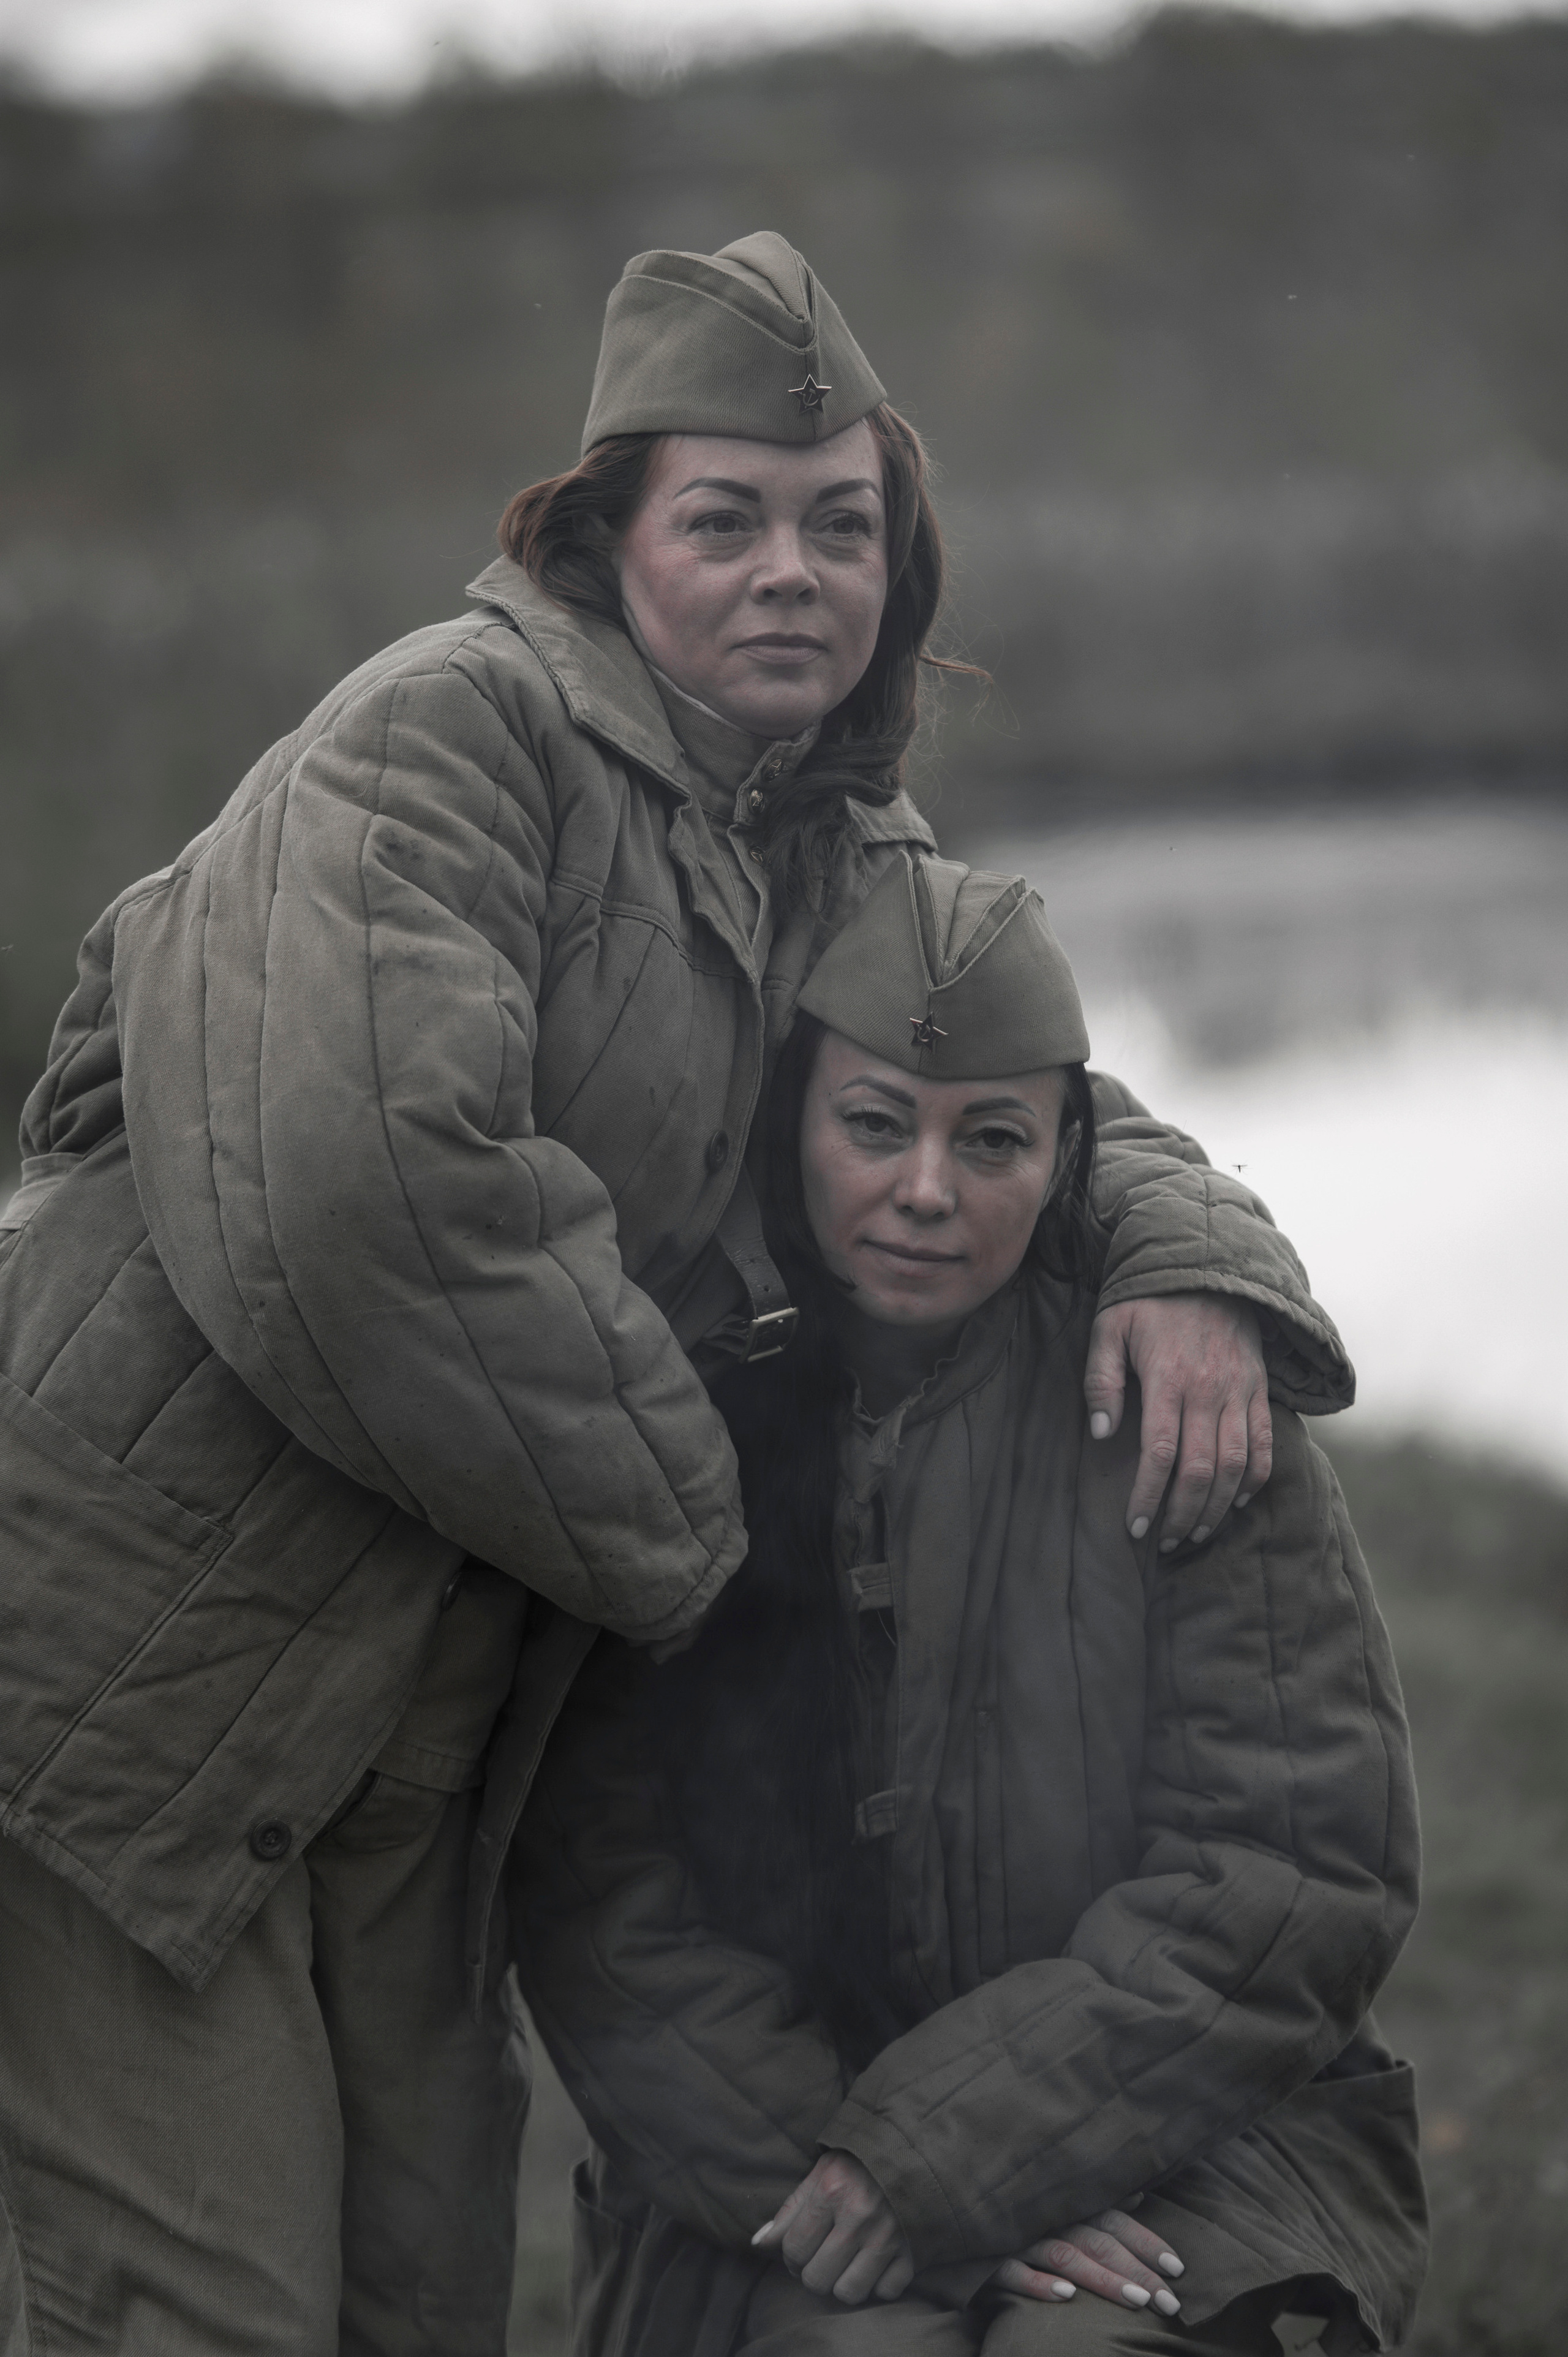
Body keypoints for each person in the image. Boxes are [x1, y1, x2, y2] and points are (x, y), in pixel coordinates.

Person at [0, 239, 1349, 2356]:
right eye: (725, 517)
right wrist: (706, 1551)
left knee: (409, 2295)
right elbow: (376, 1182)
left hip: (432, 1701)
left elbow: (1018, 1080)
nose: (791, 571)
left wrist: (1194, 1263)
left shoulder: (825, 834)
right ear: (601, 532)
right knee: (200, 2304)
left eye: (845, 524)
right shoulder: (442, 736)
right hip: (144, 1667)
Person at [510, 852, 1425, 2357]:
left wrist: (964, 2158)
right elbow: (597, 1891)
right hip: (776, 2161)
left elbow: (1291, 1872)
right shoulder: (662, 1405)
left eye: (989, 1140)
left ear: (1067, 1157)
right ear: (791, 1121)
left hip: (1196, 2144)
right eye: (874, 1127)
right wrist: (862, 2171)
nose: (924, 1192)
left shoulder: (1183, 1401)